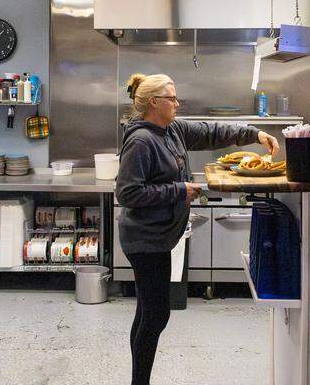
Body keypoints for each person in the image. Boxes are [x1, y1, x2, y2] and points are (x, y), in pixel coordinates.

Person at [116, 73, 280, 385]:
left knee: (148, 312)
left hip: (159, 235)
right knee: (156, 315)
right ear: (154, 102)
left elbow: (212, 132)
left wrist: (255, 134)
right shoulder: (141, 141)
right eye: (172, 98)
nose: (177, 103)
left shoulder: (172, 129)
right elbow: (127, 193)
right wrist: (179, 191)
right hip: (145, 239)